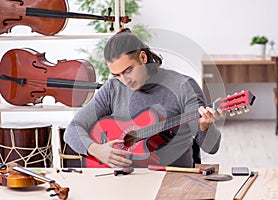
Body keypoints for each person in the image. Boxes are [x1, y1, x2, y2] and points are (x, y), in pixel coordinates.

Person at [64, 28, 224, 168]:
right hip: (123, 179)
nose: (124, 80)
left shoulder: (183, 86)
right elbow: (72, 130)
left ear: (142, 58)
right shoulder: (113, 88)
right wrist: (96, 150)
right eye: (117, 75)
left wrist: (205, 126)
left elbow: (212, 148)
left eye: (128, 70)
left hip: (172, 179)